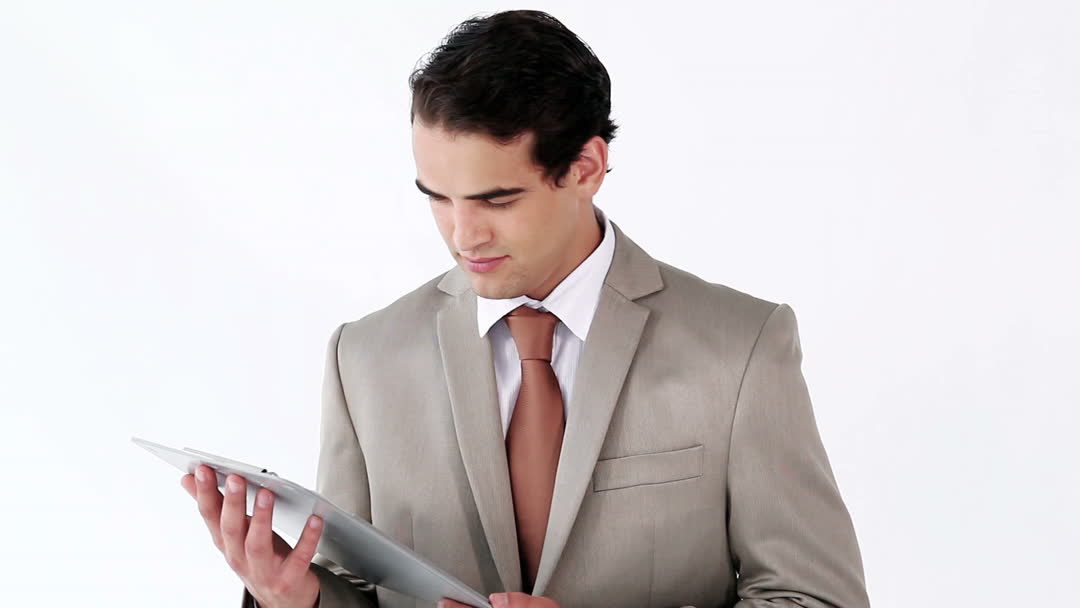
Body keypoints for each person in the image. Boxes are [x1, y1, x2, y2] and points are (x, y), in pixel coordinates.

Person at [180, 9, 870, 608]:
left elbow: (817, 597)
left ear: (586, 168)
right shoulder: (364, 358)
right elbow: (360, 593)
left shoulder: (742, 347)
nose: (463, 236)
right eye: (437, 197)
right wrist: (296, 597)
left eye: (497, 200)